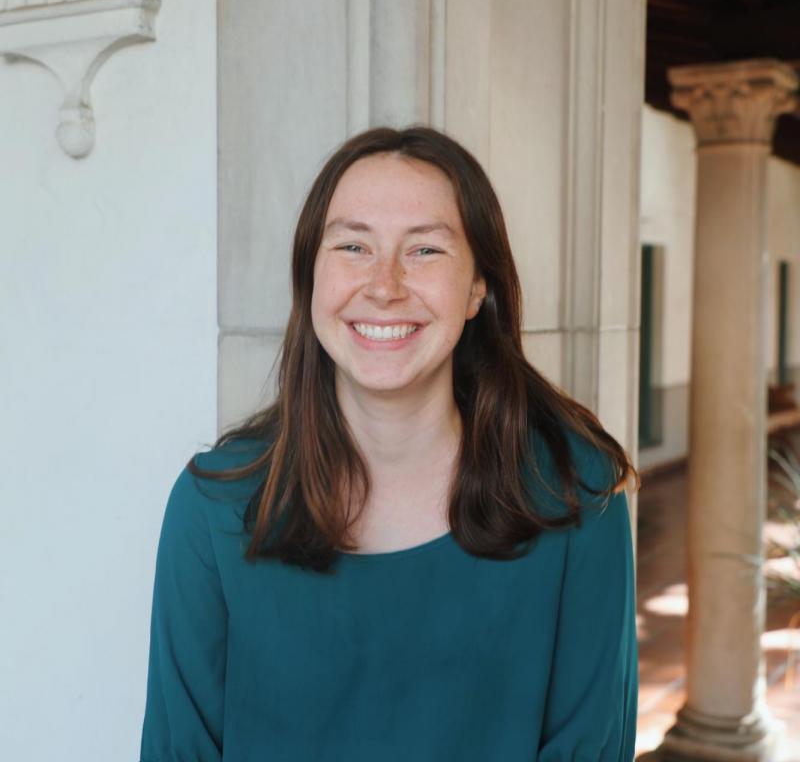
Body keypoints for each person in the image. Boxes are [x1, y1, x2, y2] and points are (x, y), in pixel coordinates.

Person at [139, 126, 640, 761]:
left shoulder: (576, 498)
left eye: (425, 250)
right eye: (353, 246)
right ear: (311, 278)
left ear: (478, 288)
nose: (384, 285)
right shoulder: (213, 509)